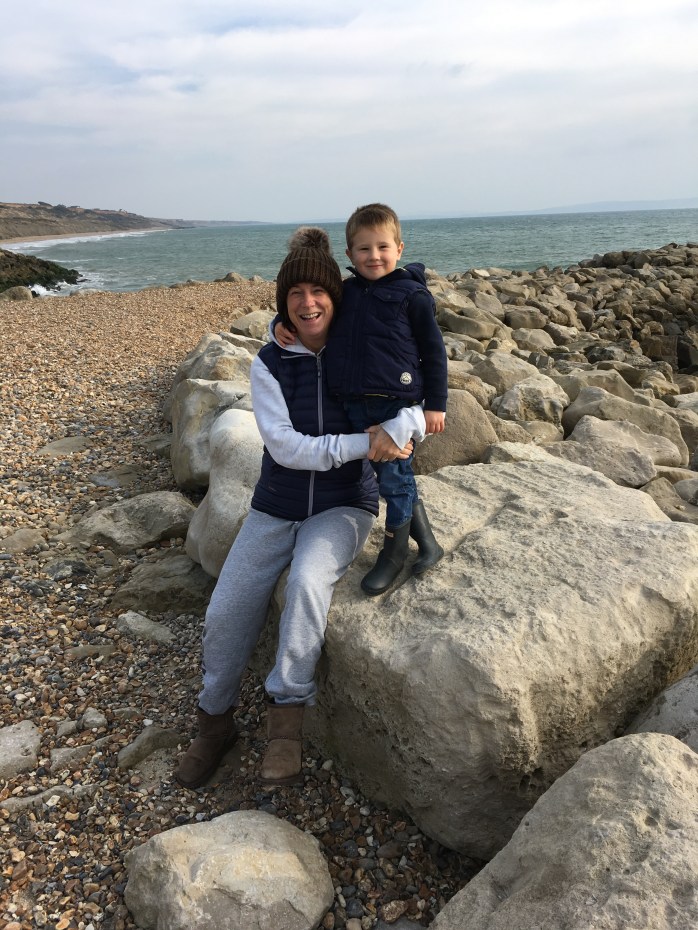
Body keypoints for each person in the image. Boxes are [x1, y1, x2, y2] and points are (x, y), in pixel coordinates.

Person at [175, 226, 424, 790]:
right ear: (283, 302)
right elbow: (286, 448)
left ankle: (285, 724)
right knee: (226, 608)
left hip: (344, 506)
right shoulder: (269, 362)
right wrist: (365, 442)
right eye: (296, 294)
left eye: (319, 292)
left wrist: (401, 430)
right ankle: (213, 722)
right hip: (275, 505)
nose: (308, 303)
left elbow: (413, 399)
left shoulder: (362, 348)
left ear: (336, 296)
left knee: (308, 586)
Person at [275, 203, 448, 596]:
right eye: (364, 249)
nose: (374, 256)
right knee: (391, 475)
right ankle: (429, 544)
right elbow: (313, 312)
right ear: (349, 254)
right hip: (355, 403)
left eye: (383, 247)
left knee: (394, 480)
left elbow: (434, 352)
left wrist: (436, 405)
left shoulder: (412, 295)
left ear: (399, 249)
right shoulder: (347, 292)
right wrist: (280, 323)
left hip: (394, 403)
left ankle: (394, 552)